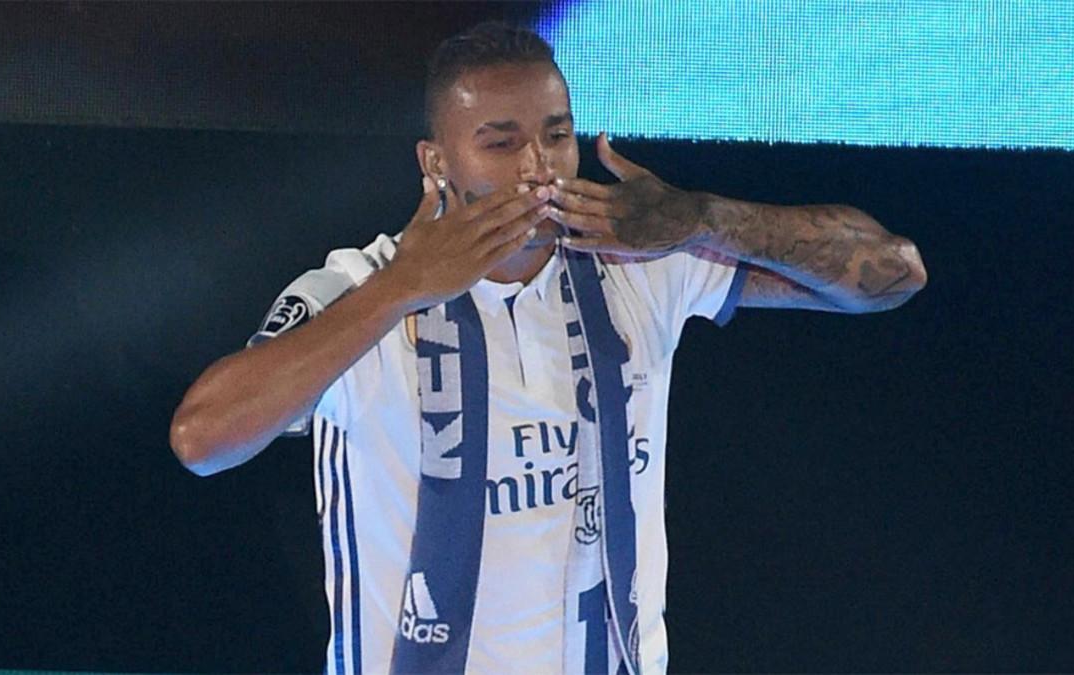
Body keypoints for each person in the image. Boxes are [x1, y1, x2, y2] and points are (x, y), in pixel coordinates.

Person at [169, 21, 925, 675]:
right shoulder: (360, 285)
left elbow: (894, 274)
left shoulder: (636, 261)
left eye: (557, 135)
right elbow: (202, 439)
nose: (539, 168)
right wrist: (402, 286)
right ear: (436, 161)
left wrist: (703, 215)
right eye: (501, 143)